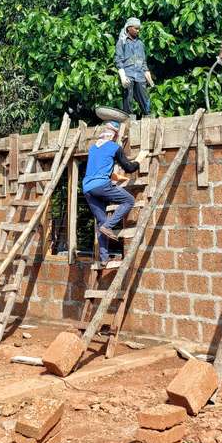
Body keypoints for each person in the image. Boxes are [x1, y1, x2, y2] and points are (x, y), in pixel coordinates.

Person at [82, 120, 143, 267]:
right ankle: (108, 227)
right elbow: (128, 167)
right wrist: (139, 161)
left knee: (101, 220)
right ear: (115, 136)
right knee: (128, 200)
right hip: (101, 185)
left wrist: (117, 177)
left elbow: (99, 168)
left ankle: (104, 258)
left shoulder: (93, 149)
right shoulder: (114, 147)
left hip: (87, 188)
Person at [115, 17, 154, 116]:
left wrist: (148, 77)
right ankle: (129, 120)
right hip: (128, 75)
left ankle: (148, 117)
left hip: (140, 76)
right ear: (128, 28)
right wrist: (122, 76)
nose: (138, 30)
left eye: (138, 29)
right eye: (136, 28)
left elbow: (143, 61)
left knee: (145, 99)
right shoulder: (122, 42)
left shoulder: (140, 43)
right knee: (128, 100)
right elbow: (118, 59)